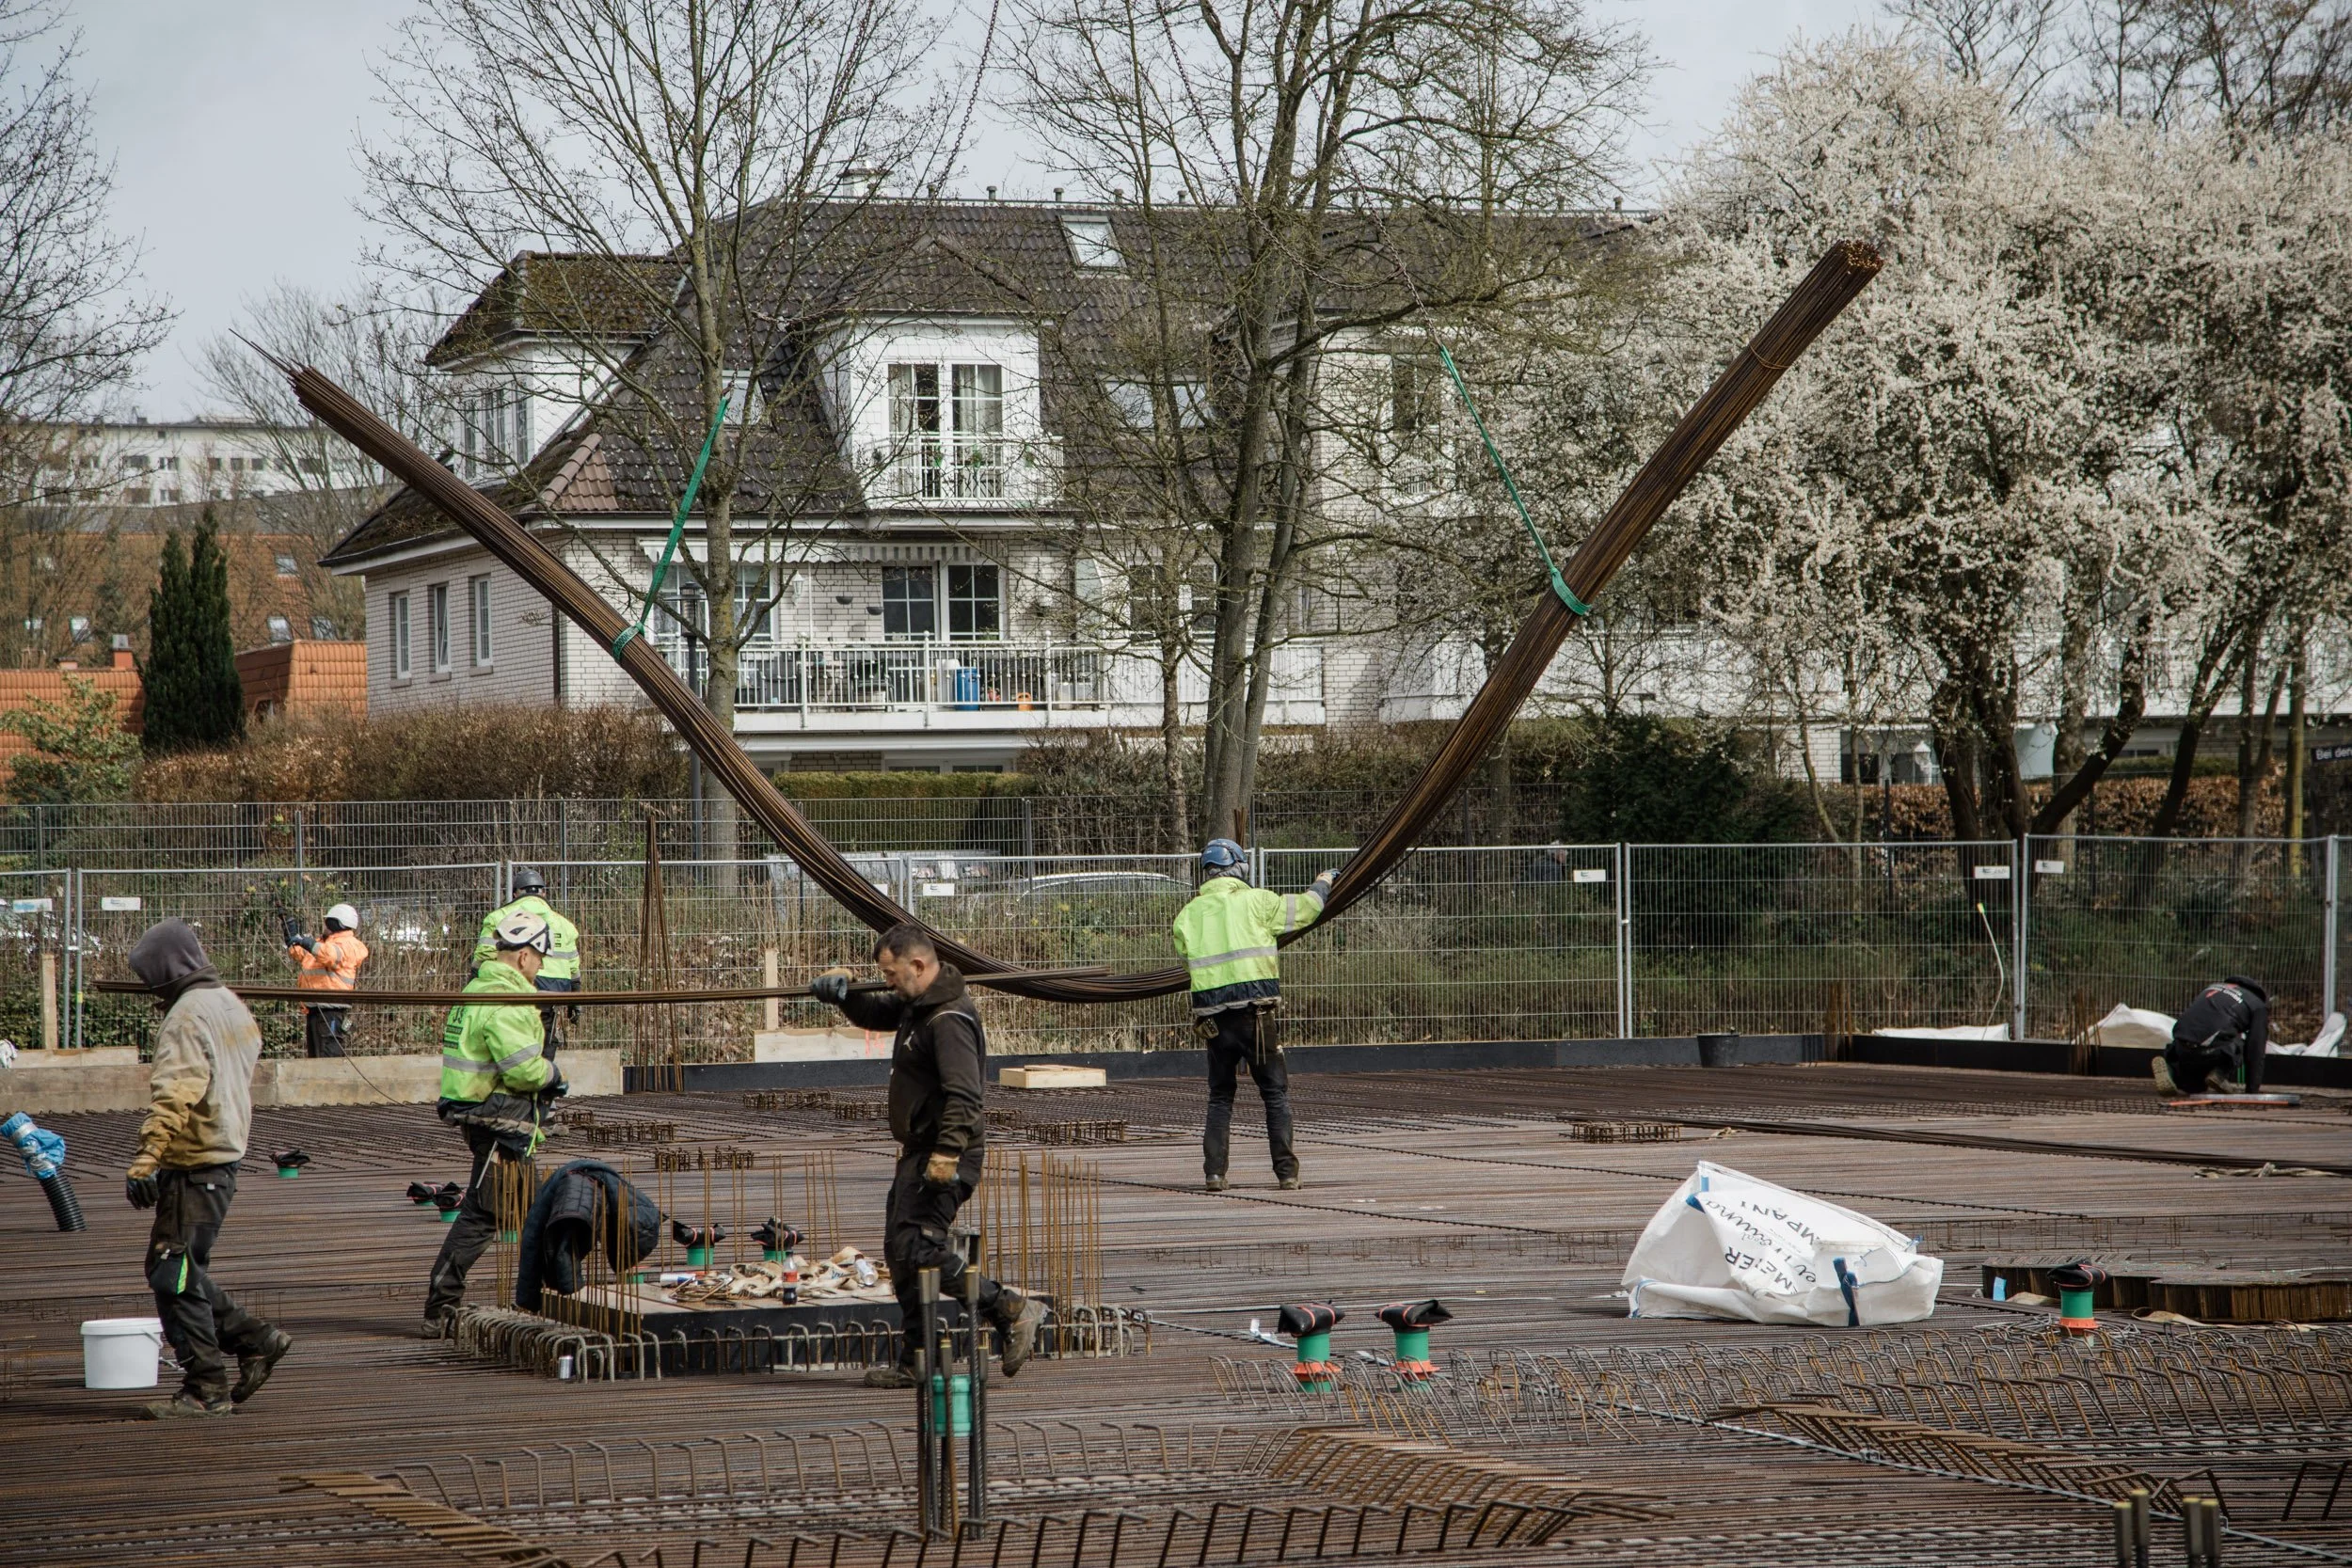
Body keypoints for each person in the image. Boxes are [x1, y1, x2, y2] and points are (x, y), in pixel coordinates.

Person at [812, 924, 1045, 1388]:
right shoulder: (920, 1005)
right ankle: (918, 1359)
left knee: (919, 1246)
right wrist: (844, 995)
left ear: (918, 966)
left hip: (946, 1153)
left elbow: (965, 1095)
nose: (888, 982)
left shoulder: (948, 1020)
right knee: (900, 1254)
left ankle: (1012, 1309)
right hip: (920, 1150)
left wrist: (946, 1154)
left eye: (892, 974)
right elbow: (880, 1011)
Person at [122, 919, 292, 1418]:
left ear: (166, 970)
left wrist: (146, 1159)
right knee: (173, 1269)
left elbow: (175, 1095)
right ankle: (255, 1340)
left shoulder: (187, 1016)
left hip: (196, 1163)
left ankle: (206, 1387)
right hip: (222, 1158)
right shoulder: (227, 1002)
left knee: (172, 1273)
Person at [424, 911, 565, 1331]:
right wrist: (555, 1076)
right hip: (500, 1120)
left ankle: (545, 1293)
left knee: (528, 1209)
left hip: (484, 1114)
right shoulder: (508, 1000)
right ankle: (440, 1307)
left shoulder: (478, 987)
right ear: (523, 956)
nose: (540, 968)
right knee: (483, 1216)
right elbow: (523, 1070)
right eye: (539, 959)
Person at [1169, 839, 1336, 1194]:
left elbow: (1188, 964)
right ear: (1240, 868)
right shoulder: (1258, 901)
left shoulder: (1187, 915)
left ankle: (1214, 1175)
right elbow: (1307, 909)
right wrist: (1324, 881)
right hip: (1256, 1016)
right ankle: (1287, 1175)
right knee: (1274, 1093)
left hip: (1213, 1021)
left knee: (1220, 1096)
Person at [473, 866, 580, 1052]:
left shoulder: (498, 917)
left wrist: (472, 989)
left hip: (510, 990)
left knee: (511, 1041)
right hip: (553, 993)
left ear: (515, 894)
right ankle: (541, 1069)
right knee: (543, 1041)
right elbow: (574, 971)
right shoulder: (564, 924)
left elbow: (482, 959)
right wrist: (575, 1003)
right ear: (544, 893)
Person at [2157, 976, 2270, 1096]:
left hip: (2181, 1047)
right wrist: (2252, 1091)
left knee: (2194, 1088)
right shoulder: (2258, 1005)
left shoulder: (2211, 988)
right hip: (2213, 1051)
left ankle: (2171, 1070)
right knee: (2240, 1040)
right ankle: (2219, 1074)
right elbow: (2256, 1049)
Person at [284, 903, 367, 1058]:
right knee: (316, 1058)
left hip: (331, 1010)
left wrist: (306, 942)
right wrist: (290, 933)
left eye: (327, 921)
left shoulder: (349, 945)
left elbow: (329, 956)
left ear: (334, 923)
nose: (325, 925)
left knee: (329, 1059)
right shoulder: (324, 944)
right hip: (316, 1008)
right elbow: (301, 953)